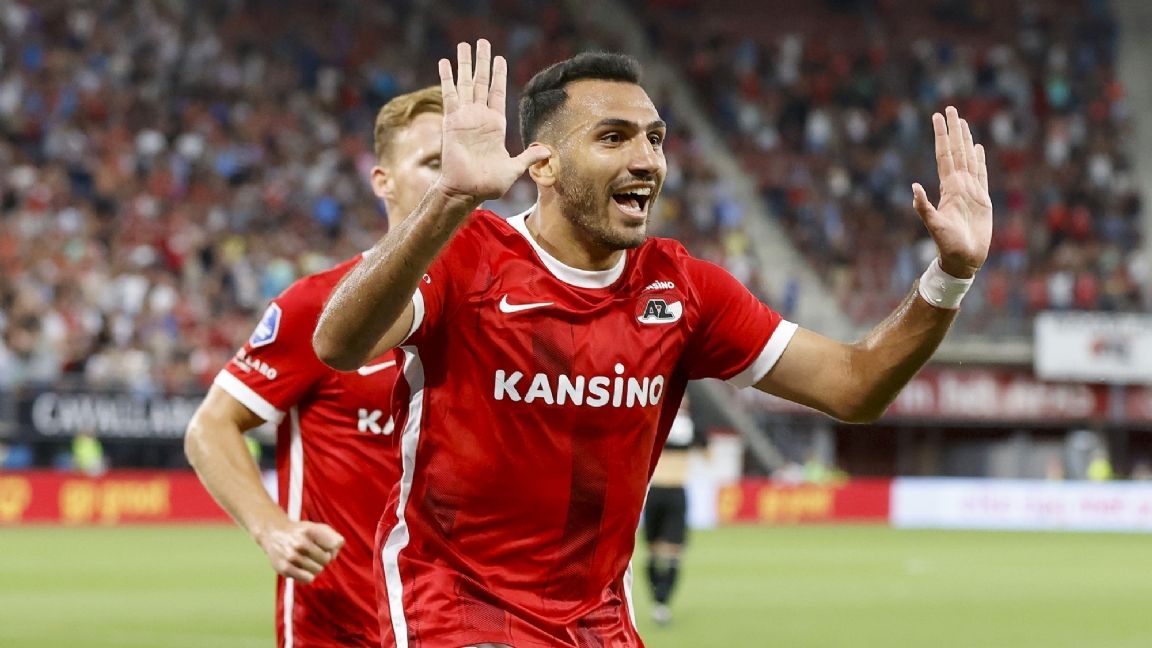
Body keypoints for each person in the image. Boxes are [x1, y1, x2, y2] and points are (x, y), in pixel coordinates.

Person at [313, 39, 991, 648]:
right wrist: (449, 200)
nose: (646, 161)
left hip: (598, 624)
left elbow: (854, 386)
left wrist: (951, 274)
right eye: (613, 138)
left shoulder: (684, 289)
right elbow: (338, 344)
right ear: (543, 165)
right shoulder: (469, 255)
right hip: (459, 612)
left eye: (655, 139)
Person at [185, 86, 444, 648]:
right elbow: (211, 425)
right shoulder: (320, 306)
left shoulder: (513, 310)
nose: (455, 179)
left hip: (461, 629)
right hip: (338, 629)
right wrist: (271, 528)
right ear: (384, 182)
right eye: (434, 163)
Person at [643, 394, 697, 626]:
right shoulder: (656, 421)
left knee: (674, 551)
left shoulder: (690, 426)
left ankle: (662, 602)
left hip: (675, 491)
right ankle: (658, 601)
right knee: (653, 551)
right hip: (656, 491)